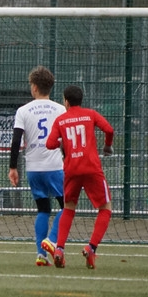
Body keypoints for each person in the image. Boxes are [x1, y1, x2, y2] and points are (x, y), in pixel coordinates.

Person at [42, 85, 114, 269]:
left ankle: (59, 249)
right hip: (92, 168)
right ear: (81, 100)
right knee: (105, 208)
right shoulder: (90, 114)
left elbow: (49, 144)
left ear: (66, 101)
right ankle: (91, 248)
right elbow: (109, 130)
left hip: (71, 170)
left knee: (68, 208)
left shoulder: (61, 120)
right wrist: (107, 146)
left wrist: (63, 143)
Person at [9, 66, 66, 266]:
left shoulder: (23, 110)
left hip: (33, 168)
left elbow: (16, 141)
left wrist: (13, 167)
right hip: (55, 166)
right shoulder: (60, 109)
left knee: (43, 209)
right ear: (50, 87)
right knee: (67, 206)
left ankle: (41, 255)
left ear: (34, 87)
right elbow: (65, 139)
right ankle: (51, 240)